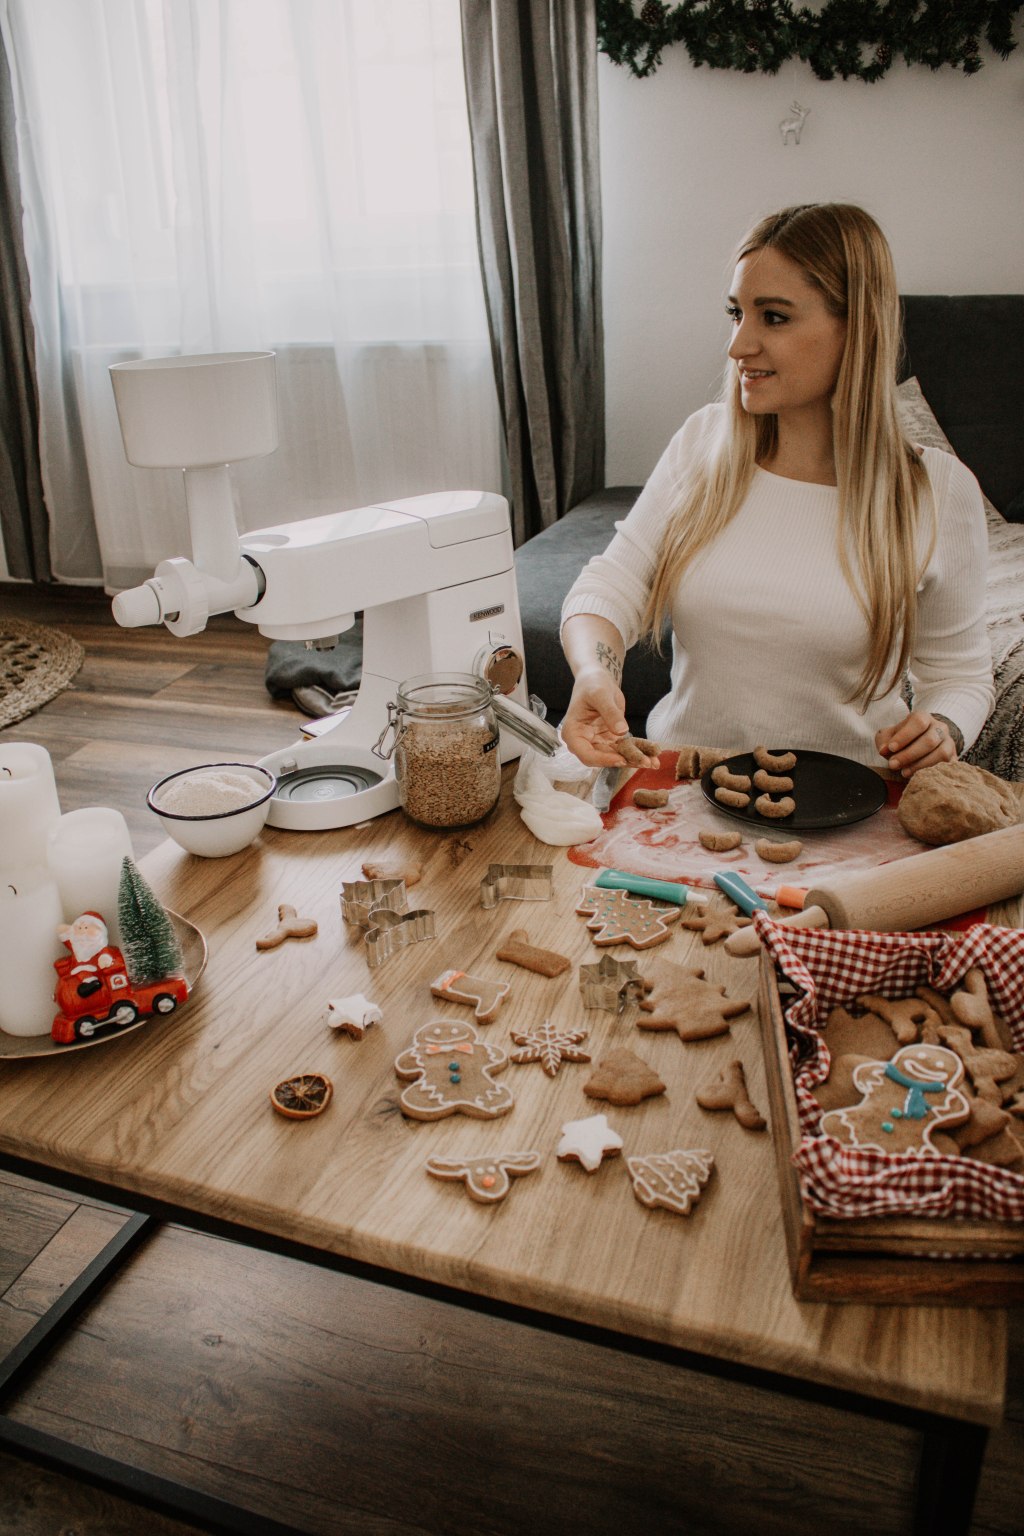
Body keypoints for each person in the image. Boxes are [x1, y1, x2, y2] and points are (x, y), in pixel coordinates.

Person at [559, 203, 993, 780]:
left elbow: (960, 675)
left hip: (848, 807)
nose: (739, 345)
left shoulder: (938, 489)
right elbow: (610, 585)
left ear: (856, 328)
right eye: (736, 313)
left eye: (775, 317)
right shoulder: (702, 443)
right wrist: (595, 673)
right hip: (683, 790)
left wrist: (942, 728)